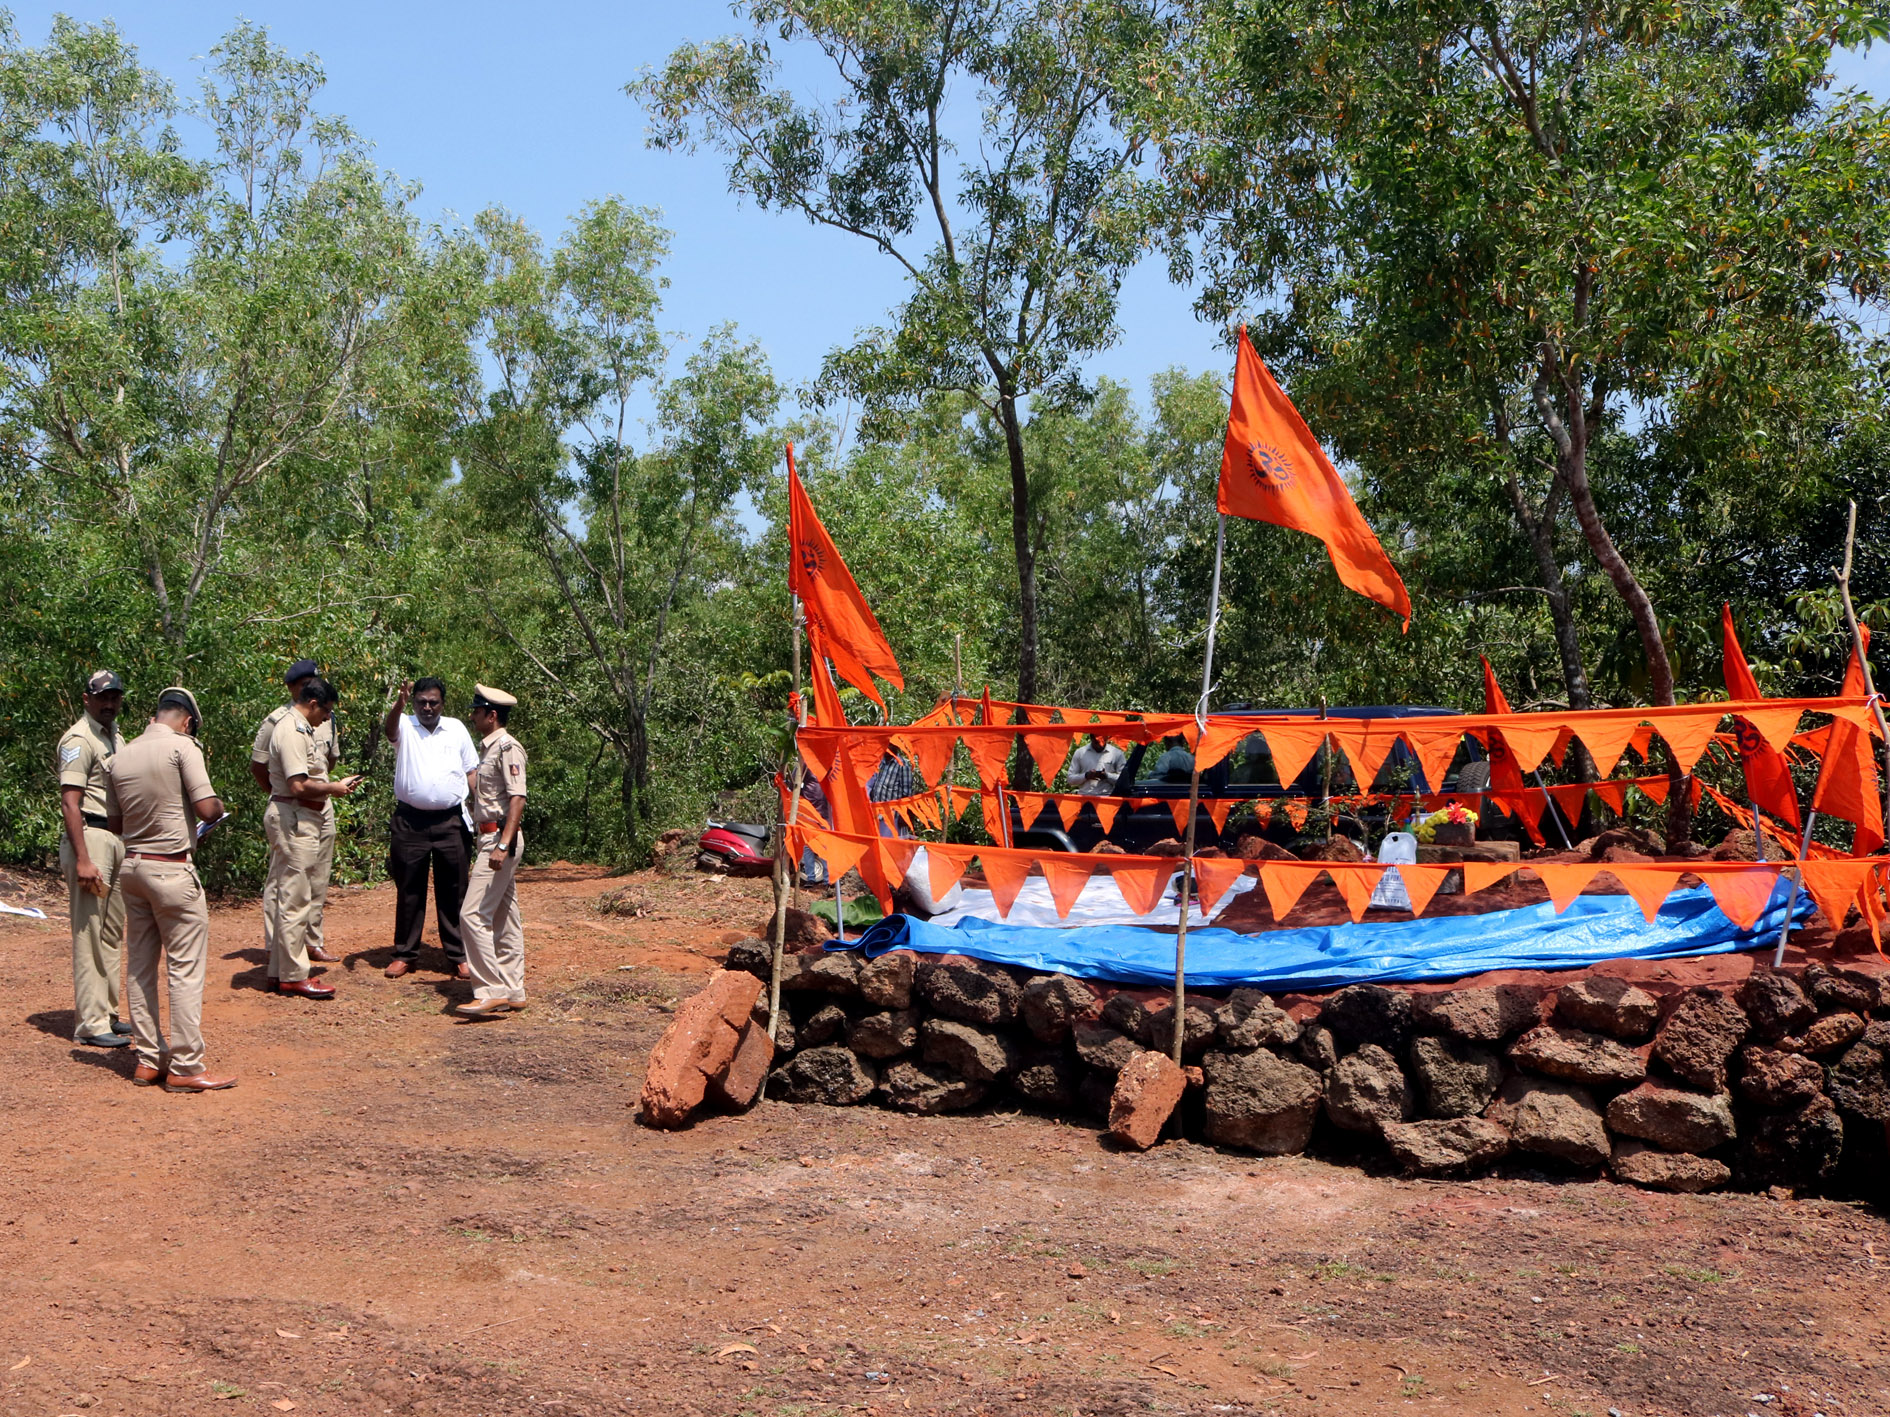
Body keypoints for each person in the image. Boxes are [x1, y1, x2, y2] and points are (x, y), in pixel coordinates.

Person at [104, 687, 235, 1091]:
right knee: (184, 969)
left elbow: (115, 824)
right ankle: (186, 1066)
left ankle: (147, 1060)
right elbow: (208, 808)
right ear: (188, 721)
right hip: (172, 870)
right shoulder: (183, 747)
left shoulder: (117, 756)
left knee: (140, 967)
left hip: (133, 868)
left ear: (155, 715)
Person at [264, 677, 362, 998]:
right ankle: (293, 975)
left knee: (291, 895)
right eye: (326, 711)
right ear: (314, 703)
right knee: (295, 899)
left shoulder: (301, 726)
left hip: (302, 815)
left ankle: (280, 971)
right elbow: (298, 785)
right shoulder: (291, 729)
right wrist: (335, 788)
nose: (325, 719)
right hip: (294, 816)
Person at [381, 677, 478, 979]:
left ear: (442, 703)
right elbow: (389, 730)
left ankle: (459, 954)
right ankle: (405, 953)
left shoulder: (457, 729)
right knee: (409, 888)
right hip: (410, 821)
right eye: (421, 701)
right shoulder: (405, 725)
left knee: (455, 889)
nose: (427, 707)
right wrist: (398, 704)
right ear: (413, 703)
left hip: (451, 821)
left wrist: (486, 806)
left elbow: (471, 770)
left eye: (433, 702)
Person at [57, 670, 130, 1048]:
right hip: (91, 837)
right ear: (86, 698)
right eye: (102, 697)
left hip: (115, 838)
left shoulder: (114, 736)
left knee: (111, 931)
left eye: (115, 697)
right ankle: (90, 1022)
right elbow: (71, 802)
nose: (109, 703)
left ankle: (108, 1012)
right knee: (89, 931)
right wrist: (84, 858)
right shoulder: (79, 739)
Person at [250, 659, 340, 967]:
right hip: (294, 806)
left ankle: (312, 941)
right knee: (285, 882)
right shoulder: (279, 722)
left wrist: (325, 789)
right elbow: (260, 767)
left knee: (316, 876)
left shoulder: (327, 718)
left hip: (320, 806)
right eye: (302, 685)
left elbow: (328, 761)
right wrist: (284, 798)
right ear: (293, 690)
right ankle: (280, 950)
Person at [455, 686, 529, 1020]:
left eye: (476, 711)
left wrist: (502, 845)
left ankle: (490, 991)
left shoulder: (507, 747)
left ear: (491, 714)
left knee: (471, 915)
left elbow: (517, 799)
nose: (472, 716)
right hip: (491, 836)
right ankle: (513, 989)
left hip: (499, 838)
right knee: (504, 915)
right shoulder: (489, 750)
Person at [1065, 732, 1125, 796]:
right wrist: (1086, 776)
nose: (1099, 745)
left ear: (1107, 738)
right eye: (1096, 742)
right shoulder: (1080, 753)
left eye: (1102, 742)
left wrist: (1107, 776)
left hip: (1107, 797)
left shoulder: (1117, 754)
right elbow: (1070, 779)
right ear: (1091, 738)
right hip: (1085, 796)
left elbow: (1124, 781)